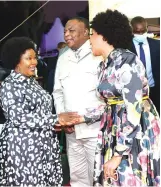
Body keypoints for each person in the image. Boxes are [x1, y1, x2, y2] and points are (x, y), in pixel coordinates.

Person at [89, 9, 160, 186]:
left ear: (104, 36)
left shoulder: (128, 62)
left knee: (128, 178)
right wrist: (82, 117)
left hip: (133, 134)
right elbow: (110, 105)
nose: (90, 39)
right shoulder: (104, 65)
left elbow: (134, 110)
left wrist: (118, 153)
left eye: (93, 34)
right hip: (114, 131)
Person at [0, 36, 80, 186]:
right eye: (29, 58)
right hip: (23, 148)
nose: (34, 62)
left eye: (35, 58)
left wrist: (55, 124)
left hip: (43, 146)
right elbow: (19, 118)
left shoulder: (31, 82)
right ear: (16, 60)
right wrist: (55, 119)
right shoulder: (9, 85)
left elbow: (40, 112)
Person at [53, 17, 105, 187]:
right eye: (65, 31)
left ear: (85, 32)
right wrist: (62, 116)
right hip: (72, 132)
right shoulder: (63, 58)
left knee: (99, 176)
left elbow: (107, 96)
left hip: (95, 131)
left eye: (71, 30)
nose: (66, 34)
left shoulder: (99, 56)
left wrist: (85, 118)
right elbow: (58, 92)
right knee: (77, 178)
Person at [129, 16, 160, 113]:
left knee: (156, 117)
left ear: (147, 29)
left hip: (154, 89)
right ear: (132, 30)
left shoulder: (157, 45)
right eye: (137, 32)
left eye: (142, 31)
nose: (140, 34)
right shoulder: (126, 46)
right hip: (134, 92)